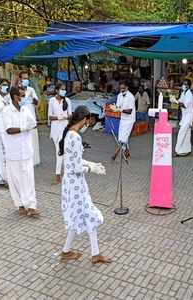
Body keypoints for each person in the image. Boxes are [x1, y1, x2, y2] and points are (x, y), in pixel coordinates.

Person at [58, 106, 112, 264]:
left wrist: (91, 163)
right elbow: (75, 167)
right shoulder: (75, 137)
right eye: (88, 121)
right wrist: (91, 168)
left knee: (80, 217)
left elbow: (74, 160)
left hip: (73, 184)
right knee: (90, 215)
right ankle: (92, 254)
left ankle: (70, 251)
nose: (88, 125)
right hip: (75, 184)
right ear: (84, 119)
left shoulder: (69, 134)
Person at [2, 87, 39, 216]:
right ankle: (20, 204)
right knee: (15, 180)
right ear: (14, 96)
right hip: (13, 152)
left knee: (29, 179)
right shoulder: (6, 111)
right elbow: (9, 130)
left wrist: (30, 125)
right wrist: (24, 128)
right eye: (21, 96)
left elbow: (33, 122)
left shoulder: (25, 109)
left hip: (27, 151)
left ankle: (32, 205)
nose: (23, 98)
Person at [48, 83, 72, 184]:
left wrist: (66, 116)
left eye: (64, 89)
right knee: (59, 151)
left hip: (65, 129)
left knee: (62, 151)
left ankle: (59, 174)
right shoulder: (52, 101)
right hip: (55, 130)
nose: (64, 91)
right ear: (57, 90)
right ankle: (59, 174)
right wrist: (60, 117)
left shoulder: (67, 100)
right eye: (62, 89)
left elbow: (70, 115)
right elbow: (50, 116)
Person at [19, 71, 40, 166]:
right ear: (20, 79)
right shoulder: (17, 90)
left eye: (27, 78)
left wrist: (32, 97)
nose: (25, 80)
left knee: (33, 140)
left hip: (32, 118)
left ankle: (35, 160)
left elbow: (36, 103)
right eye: (24, 78)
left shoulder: (31, 89)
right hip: (21, 119)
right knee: (23, 140)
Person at [110, 81, 136, 160]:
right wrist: (113, 107)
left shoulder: (131, 97)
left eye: (123, 88)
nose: (122, 90)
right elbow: (117, 106)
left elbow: (129, 111)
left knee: (123, 138)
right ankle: (127, 152)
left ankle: (115, 154)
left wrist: (119, 110)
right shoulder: (119, 96)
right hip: (123, 119)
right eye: (120, 88)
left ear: (127, 88)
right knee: (122, 136)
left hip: (130, 120)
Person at [173, 79, 193, 156]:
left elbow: (184, 105)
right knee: (187, 133)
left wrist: (176, 102)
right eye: (183, 84)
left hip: (188, 117)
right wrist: (174, 100)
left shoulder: (189, 94)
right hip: (184, 116)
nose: (183, 85)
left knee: (181, 133)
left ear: (188, 86)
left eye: (185, 84)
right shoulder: (183, 93)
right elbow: (180, 100)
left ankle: (177, 151)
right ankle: (187, 150)